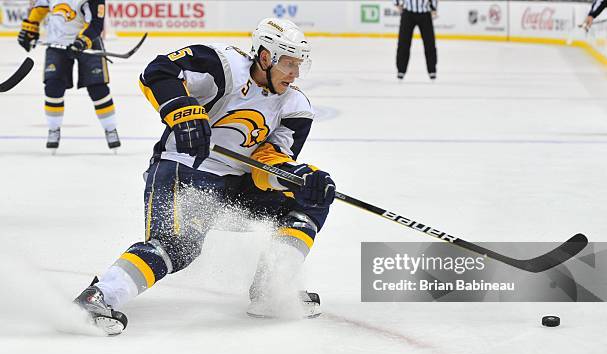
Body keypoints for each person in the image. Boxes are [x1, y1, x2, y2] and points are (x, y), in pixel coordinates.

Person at [73, 17, 336, 335]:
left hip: (237, 185)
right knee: (178, 245)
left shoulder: (294, 106)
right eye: (289, 64)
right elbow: (157, 73)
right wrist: (185, 113)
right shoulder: (223, 65)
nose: (295, 74)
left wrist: (297, 177)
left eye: (299, 65)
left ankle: (271, 290)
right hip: (182, 168)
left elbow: (266, 163)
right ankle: (99, 296)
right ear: (266, 57)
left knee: (311, 201)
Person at [17, 0, 120, 151]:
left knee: (98, 88)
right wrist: (29, 29)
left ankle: (110, 128)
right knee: (53, 86)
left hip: (88, 43)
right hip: (57, 44)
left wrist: (81, 42)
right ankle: (54, 129)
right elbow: (39, 9)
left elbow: (96, 24)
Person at [394, 0, 438, 80]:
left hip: (425, 13)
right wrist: (397, 3)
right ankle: (401, 70)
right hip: (408, 13)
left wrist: (434, 8)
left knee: (429, 43)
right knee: (403, 43)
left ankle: (432, 70)